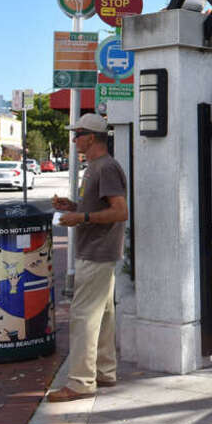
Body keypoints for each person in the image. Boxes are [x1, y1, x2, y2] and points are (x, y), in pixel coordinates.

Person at [47, 113, 128, 402]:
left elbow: (120, 211)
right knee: (103, 315)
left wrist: (80, 215)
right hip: (97, 251)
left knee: (82, 316)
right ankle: (105, 371)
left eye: (77, 133)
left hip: (97, 253)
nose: (73, 138)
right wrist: (74, 206)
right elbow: (99, 206)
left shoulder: (105, 167)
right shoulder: (95, 167)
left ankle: (81, 382)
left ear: (91, 137)